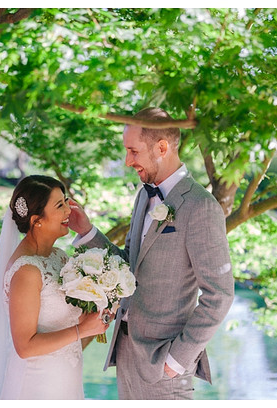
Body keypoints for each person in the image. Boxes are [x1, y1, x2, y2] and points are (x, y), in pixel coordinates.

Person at [68, 107, 234, 399]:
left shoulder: (201, 207)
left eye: (133, 151)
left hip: (165, 367)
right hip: (126, 354)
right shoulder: (143, 195)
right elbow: (128, 268)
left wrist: (176, 361)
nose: (127, 161)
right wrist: (87, 232)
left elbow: (220, 294)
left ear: (162, 148)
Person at [0, 175, 110, 399]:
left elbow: (71, 334)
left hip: (66, 381)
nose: (69, 210)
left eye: (66, 201)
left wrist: (101, 313)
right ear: (36, 220)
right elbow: (25, 346)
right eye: (60, 205)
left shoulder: (60, 258)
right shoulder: (26, 271)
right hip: (36, 385)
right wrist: (82, 330)